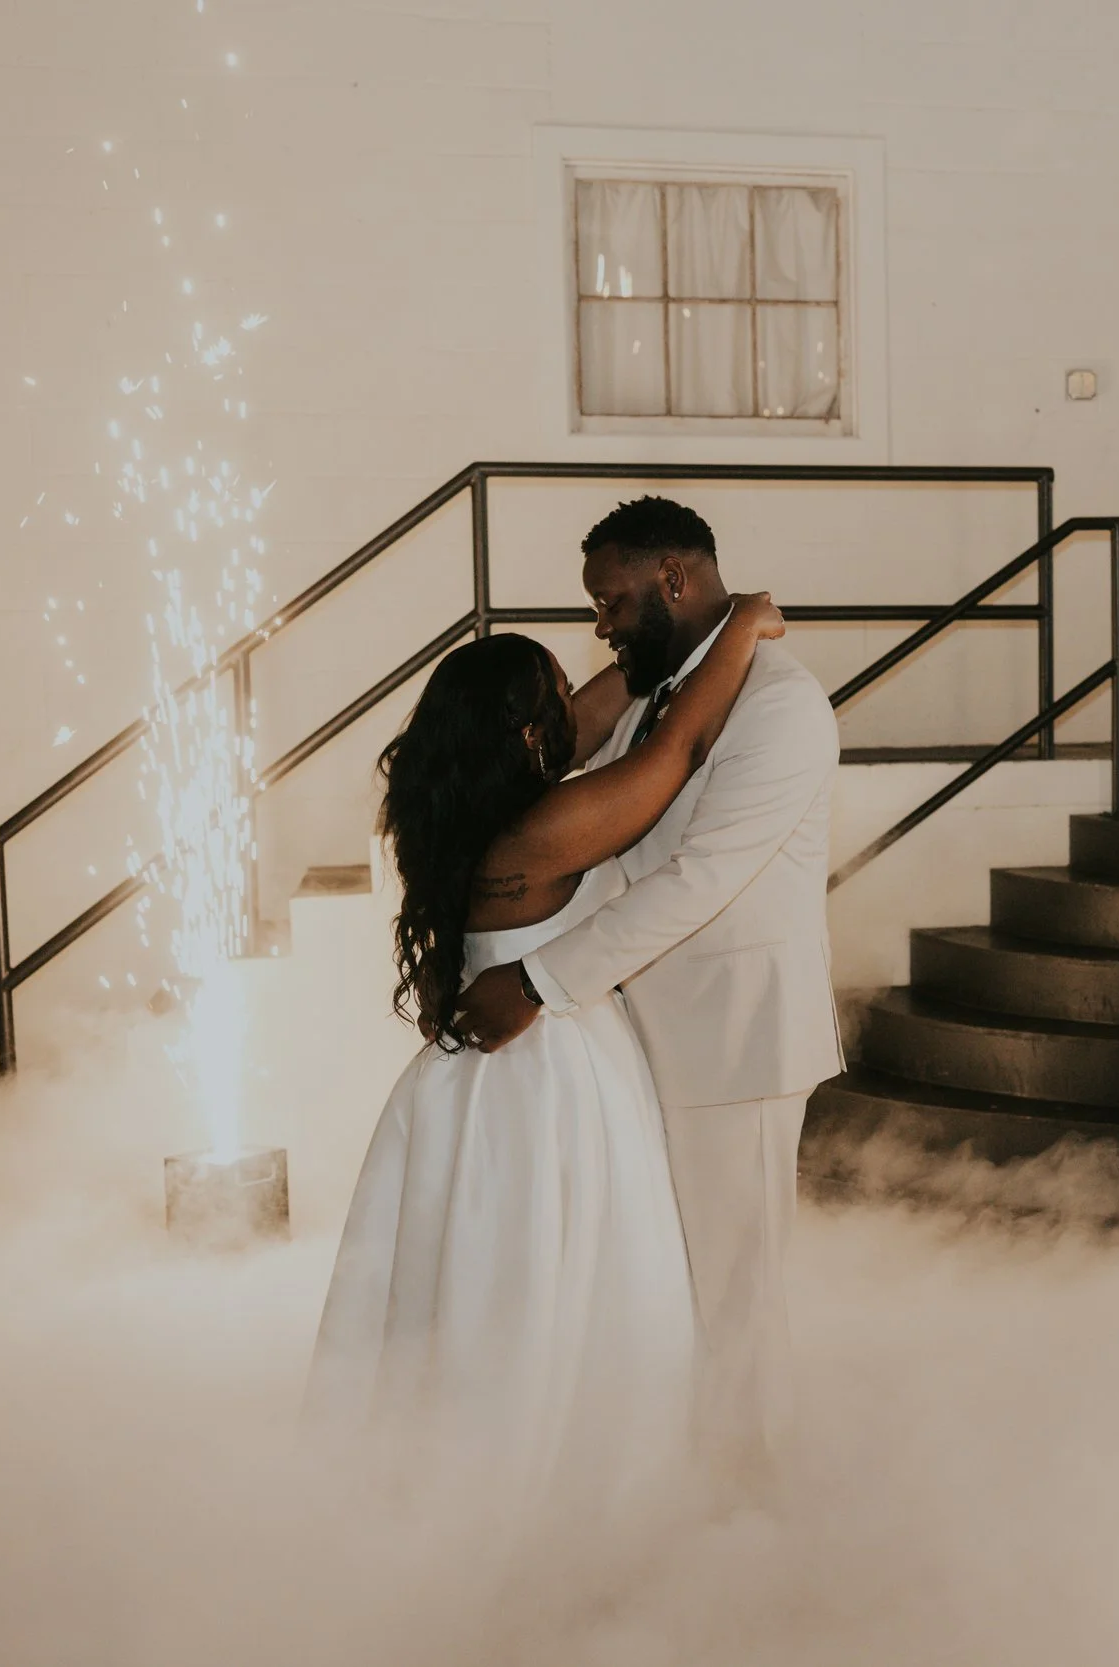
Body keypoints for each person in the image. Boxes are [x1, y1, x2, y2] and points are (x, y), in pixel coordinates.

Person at [304, 594, 787, 1513]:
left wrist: (643, 661)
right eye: (559, 694)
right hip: (549, 1080)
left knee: (476, 1288)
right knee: (563, 1290)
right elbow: (675, 751)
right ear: (528, 735)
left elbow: (596, 713)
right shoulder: (545, 830)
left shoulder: (457, 813)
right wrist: (739, 625)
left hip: (466, 1089)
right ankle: (560, 1498)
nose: (580, 702)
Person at [455, 496, 845, 1504]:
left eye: (612, 601)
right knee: (670, 1287)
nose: (601, 624)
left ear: (674, 578)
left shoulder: (782, 705)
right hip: (644, 1036)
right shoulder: (658, 694)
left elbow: (697, 879)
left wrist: (535, 980)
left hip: (734, 1042)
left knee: (736, 1291)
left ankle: (754, 1499)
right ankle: (686, 1483)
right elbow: (566, 749)